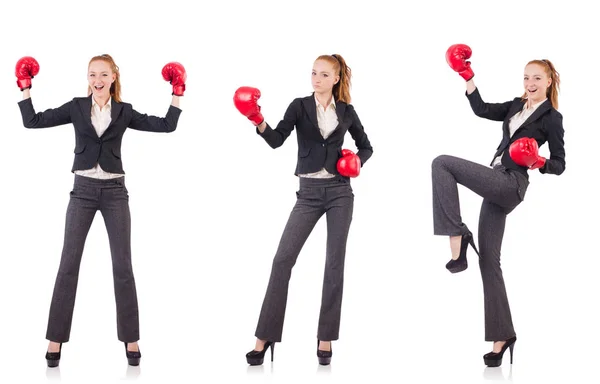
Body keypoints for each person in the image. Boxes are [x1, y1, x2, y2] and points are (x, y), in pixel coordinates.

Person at [15, 54, 186, 367]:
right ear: (88, 78)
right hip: (81, 191)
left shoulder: (124, 111)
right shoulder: (77, 107)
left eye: (103, 75)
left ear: (113, 78)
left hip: (114, 193)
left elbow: (165, 126)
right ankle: (56, 339)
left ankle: (131, 339)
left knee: (123, 265)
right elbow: (33, 121)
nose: (97, 80)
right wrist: (25, 88)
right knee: (68, 263)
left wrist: (177, 92)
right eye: (92, 74)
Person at [233, 54, 373, 366]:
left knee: (334, 264)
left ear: (335, 79)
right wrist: (257, 120)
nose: (316, 79)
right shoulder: (299, 106)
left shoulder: (347, 111)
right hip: (308, 194)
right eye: (313, 73)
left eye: (324, 75)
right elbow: (276, 140)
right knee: (282, 260)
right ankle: (265, 337)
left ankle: (325, 337)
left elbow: (367, 146)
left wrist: (356, 162)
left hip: (340, 192)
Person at [432, 44, 565, 367]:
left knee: (442, 163)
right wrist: (467, 76)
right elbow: (482, 109)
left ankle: (456, 236)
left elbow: (560, 164)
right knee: (489, 262)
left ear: (548, 82)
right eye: (526, 77)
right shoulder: (517, 106)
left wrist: (539, 161)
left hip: (512, 182)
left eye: (536, 78)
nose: (529, 83)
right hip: (495, 179)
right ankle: (502, 336)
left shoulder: (552, 117)